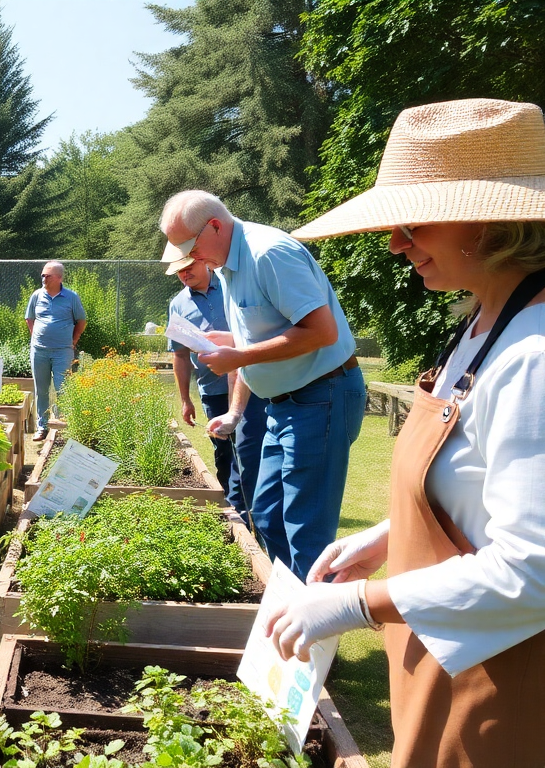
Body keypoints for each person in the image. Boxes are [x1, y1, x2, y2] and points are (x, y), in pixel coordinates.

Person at [265, 98, 545, 766]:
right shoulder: (483, 324)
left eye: (413, 223)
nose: (395, 244)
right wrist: (389, 536)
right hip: (447, 656)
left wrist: (358, 604)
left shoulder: (534, 354)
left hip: (497, 684)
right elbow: (474, 484)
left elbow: (532, 569)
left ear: (487, 221)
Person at [159, 190, 365, 581]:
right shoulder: (228, 267)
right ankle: (296, 603)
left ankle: (314, 617)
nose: (189, 259)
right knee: (268, 515)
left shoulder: (268, 253)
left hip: (321, 395)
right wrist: (235, 404)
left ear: (215, 226)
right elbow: (262, 339)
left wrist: (239, 355)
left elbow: (322, 331)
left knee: (306, 530)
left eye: (190, 248)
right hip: (282, 405)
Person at [165, 254, 266, 515]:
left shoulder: (230, 286)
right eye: (179, 271)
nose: (184, 274)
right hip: (213, 390)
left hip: (250, 384)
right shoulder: (177, 305)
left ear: (204, 262)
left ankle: (253, 510)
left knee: (250, 448)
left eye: (189, 266)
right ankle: (233, 511)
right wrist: (185, 400)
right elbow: (180, 355)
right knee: (224, 452)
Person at [25, 261, 87, 440]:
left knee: (63, 388)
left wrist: (73, 340)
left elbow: (81, 321)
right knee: (41, 389)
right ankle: (42, 426)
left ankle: (61, 426)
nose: (44, 279)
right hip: (39, 351)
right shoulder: (36, 295)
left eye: (48, 276)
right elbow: (29, 318)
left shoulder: (71, 297)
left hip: (62, 352)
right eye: (42, 275)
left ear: (59, 278)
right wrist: (36, 337)